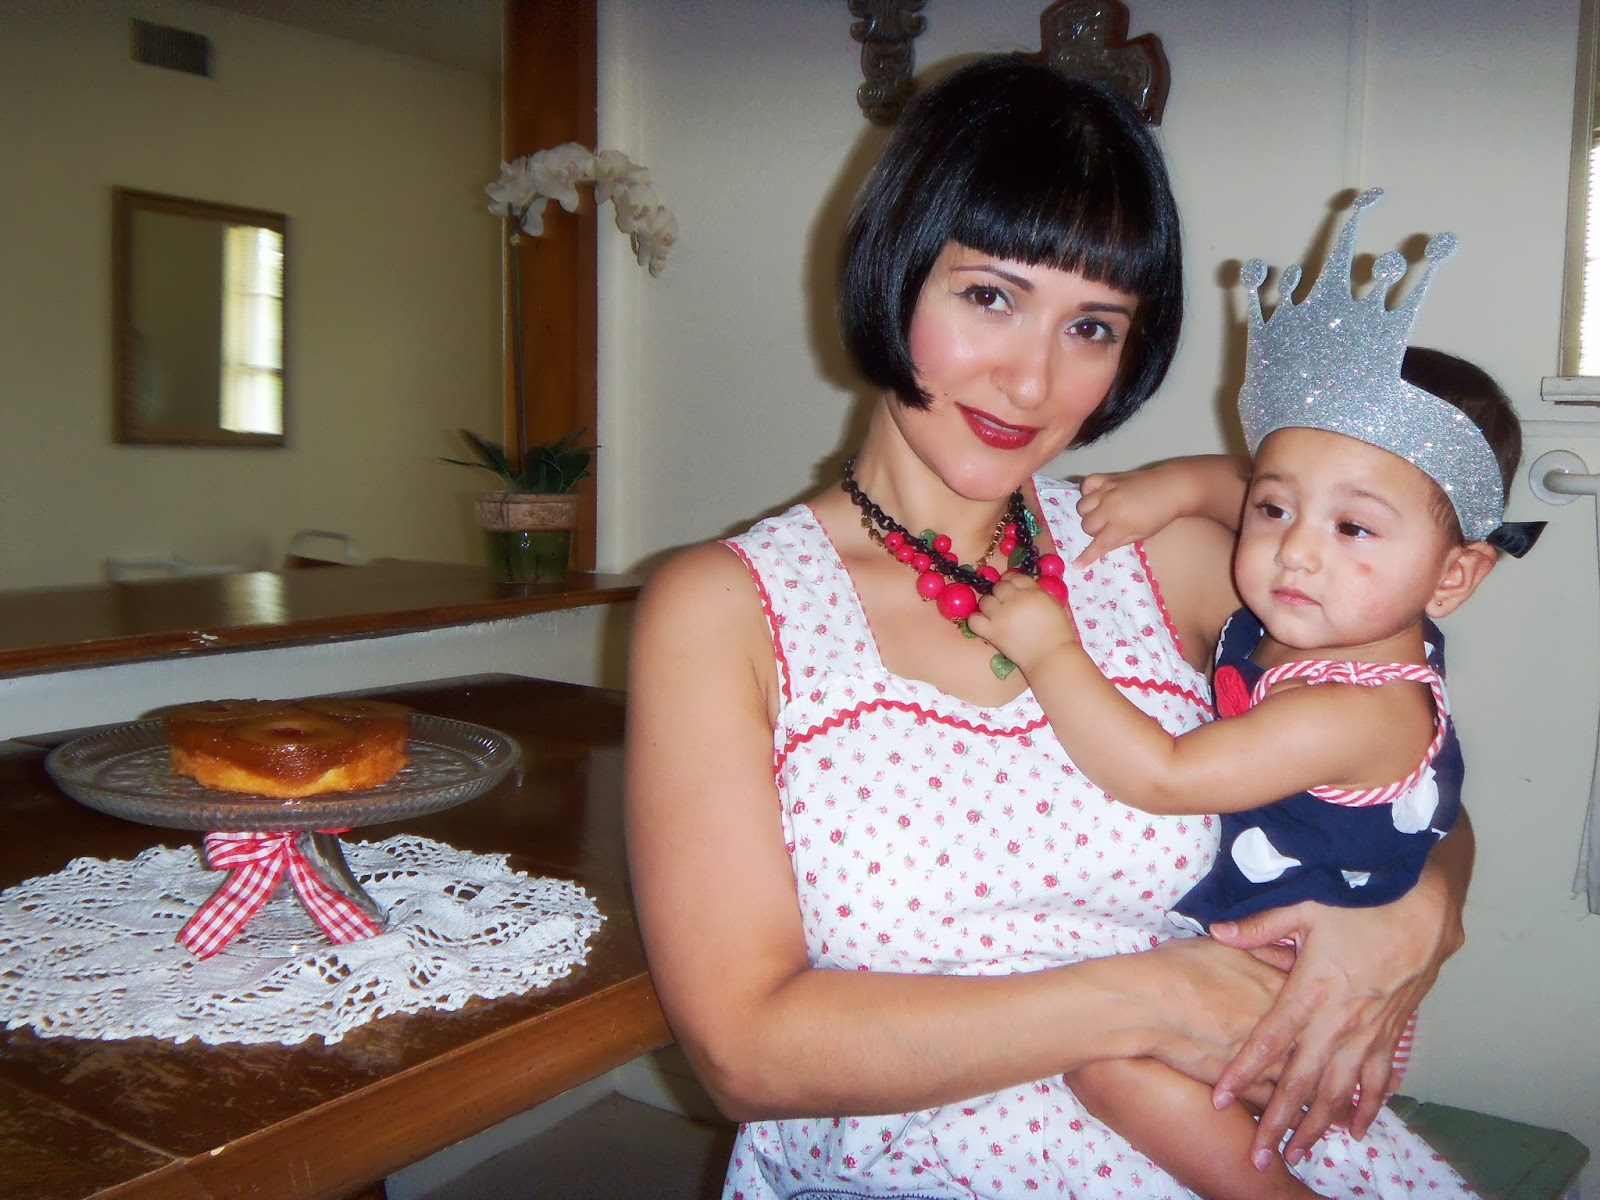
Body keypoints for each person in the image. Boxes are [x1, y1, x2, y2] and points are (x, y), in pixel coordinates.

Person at [625, 57, 1477, 1198]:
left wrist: (1422, 913)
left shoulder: (1172, 563)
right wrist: (1143, 1001)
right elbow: (745, 1054)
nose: (1030, 381)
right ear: (895, 272)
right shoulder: (725, 609)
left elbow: (1405, 767)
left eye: (1092, 325)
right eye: (989, 296)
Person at [969, 192, 1540, 1198]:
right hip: (1259, 952)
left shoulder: (1352, 709)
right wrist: (1181, 486)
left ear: (1453, 576)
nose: (1291, 552)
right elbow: (1276, 489)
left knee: (1110, 1071)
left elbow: (1162, 774)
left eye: (1352, 529)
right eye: (1275, 509)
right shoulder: (1343, 611)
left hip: (1297, 1001)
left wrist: (1053, 650)